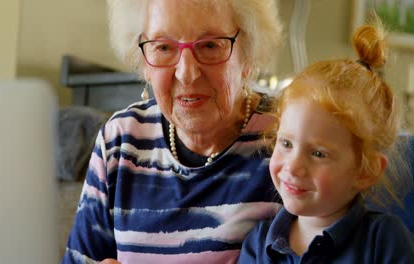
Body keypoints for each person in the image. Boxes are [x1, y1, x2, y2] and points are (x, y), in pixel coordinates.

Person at [62, 0, 283, 263]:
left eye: (210, 45)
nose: (186, 73)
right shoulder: (119, 141)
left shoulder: (287, 140)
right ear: (144, 60)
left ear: (248, 52)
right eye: (164, 47)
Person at [238, 24, 414, 263]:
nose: (293, 167)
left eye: (318, 154)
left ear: (366, 171)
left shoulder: (385, 241)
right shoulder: (258, 243)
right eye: (286, 144)